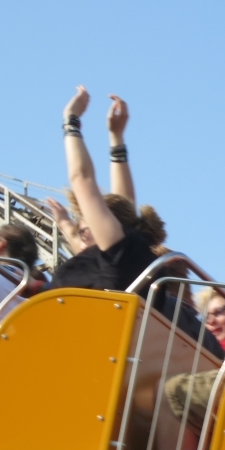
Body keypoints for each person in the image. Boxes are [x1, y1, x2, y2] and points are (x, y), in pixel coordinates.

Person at [46, 87, 165, 295]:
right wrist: (116, 136)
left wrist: (70, 121)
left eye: (83, 231)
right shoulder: (131, 256)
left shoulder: (121, 256)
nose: (79, 238)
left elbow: (81, 178)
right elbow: (122, 203)